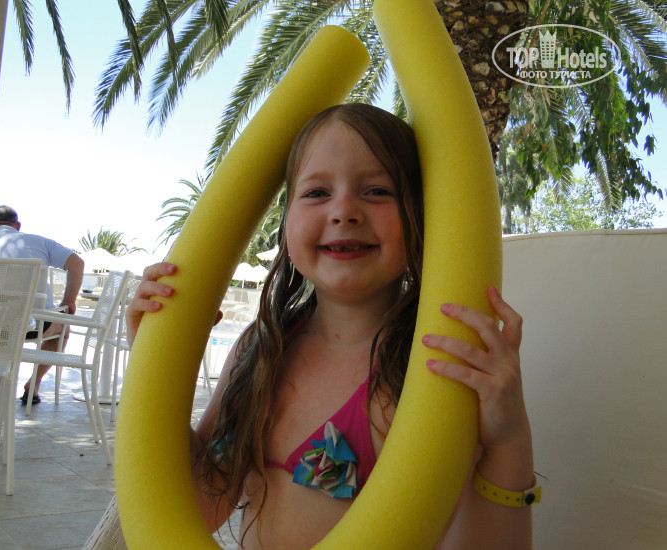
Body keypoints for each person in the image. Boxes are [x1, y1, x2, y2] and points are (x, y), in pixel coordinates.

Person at [125, 104, 534, 549]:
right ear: (286, 221)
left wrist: (508, 444)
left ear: (422, 214)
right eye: (317, 192)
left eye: (377, 191)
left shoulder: (433, 369)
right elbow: (203, 505)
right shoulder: (259, 350)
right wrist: (151, 364)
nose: (344, 211)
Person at [0, 205, 84, 405]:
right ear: (18, 225)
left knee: (4, 332)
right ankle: (33, 384)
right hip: (35, 326)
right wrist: (69, 300)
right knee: (62, 329)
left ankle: (3, 385)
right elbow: (77, 263)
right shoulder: (40, 243)